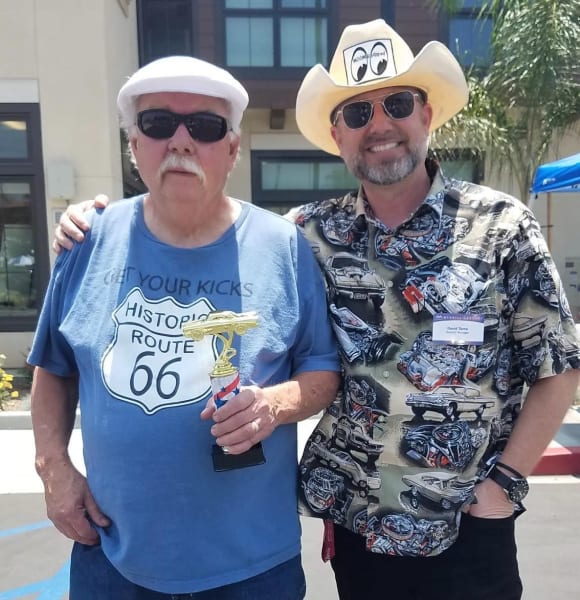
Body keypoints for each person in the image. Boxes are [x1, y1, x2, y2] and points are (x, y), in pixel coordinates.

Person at [53, 19, 580, 600]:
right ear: (338, 135)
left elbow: (561, 366)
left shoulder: (503, 227)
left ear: (426, 114)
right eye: (357, 113)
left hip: (464, 526)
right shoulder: (306, 234)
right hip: (359, 524)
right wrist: (90, 219)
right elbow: (206, 219)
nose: (378, 125)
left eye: (396, 104)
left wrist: (503, 485)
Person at [29, 55, 340, 600]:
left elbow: (322, 367)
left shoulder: (284, 247)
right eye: (157, 124)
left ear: (233, 149)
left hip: (252, 568)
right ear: (132, 144)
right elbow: (53, 368)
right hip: (113, 558)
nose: (180, 141)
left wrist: (275, 404)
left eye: (204, 126)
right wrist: (53, 468)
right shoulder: (87, 242)